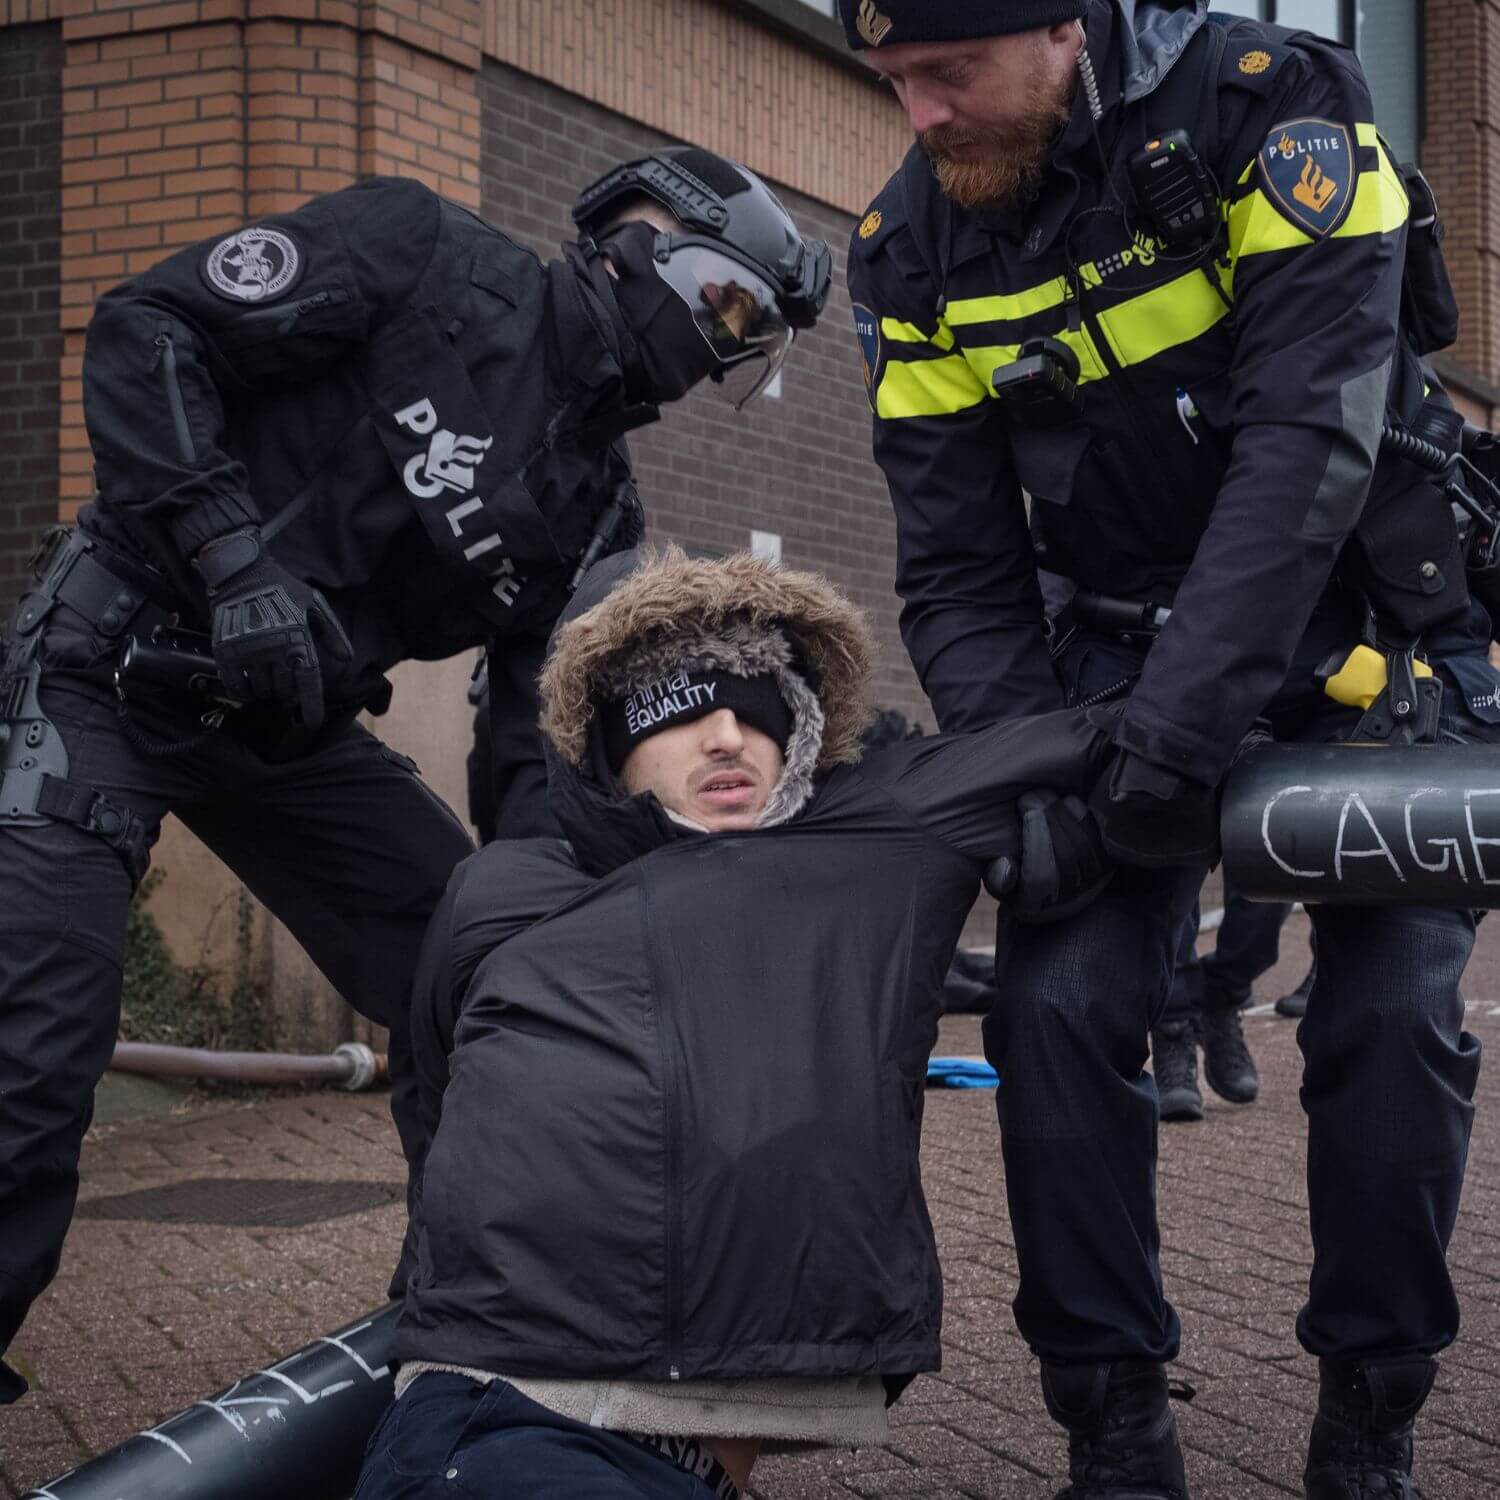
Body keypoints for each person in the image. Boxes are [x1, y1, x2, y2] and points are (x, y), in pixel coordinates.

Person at [0, 148, 831, 1402]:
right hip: (110, 660)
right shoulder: (418, 252)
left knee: (494, 974)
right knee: (33, 1043)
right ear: (650, 244)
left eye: (747, 344)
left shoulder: (595, 506)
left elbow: (535, 745)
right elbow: (145, 328)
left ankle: (464, 1334)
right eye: (729, 316)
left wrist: (580, 909)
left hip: (283, 730)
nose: (720, 356)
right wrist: (233, 562)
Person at [842, 2, 1491, 1496]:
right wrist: (1023, 769)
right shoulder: (908, 250)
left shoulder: (1278, 102)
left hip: (1362, 642)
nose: (922, 117)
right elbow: (957, 566)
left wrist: (1176, 743)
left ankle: (1374, 1407)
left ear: (1067, 28)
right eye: (894, 85)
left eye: (949, 72)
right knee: (1053, 1017)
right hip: (1103, 669)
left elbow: (1306, 449)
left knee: (1392, 1017)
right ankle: (1112, 1417)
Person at [356, 545, 1117, 1499]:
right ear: (606, 740)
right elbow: (431, 1095)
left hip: (680, 1456)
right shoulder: (499, 888)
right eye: (679, 710)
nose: (725, 736)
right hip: (499, 1405)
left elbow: (1133, 740)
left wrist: (1115, 814)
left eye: (757, 712)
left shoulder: (881, 835)